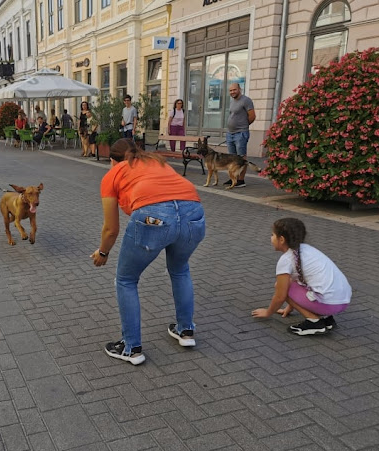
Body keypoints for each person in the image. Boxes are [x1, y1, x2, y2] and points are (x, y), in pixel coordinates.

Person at [91, 139, 205, 365]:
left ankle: (131, 347)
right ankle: (186, 331)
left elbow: (111, 229)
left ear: (113, 161)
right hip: (194, 213)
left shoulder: (113, 174)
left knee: (125, 280)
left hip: (154, 218)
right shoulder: (157, 162)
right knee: (180, 270)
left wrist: (103, 253)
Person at [252, 218, 352, 336]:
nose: (271, 238)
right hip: (343, 301)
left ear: (282, 239)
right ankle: (327, 320)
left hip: (329, 304)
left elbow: (280, 296)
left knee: (279, 286)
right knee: (291, 284)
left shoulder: (286, 260)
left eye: (272, 235)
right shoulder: (307, 249)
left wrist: (268, 312)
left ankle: (314, 323)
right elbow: (298, 282)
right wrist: (292, 305)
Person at [225, 83, 256, 187]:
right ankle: (233, 178)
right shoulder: (232, 101)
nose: (232, 92)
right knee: (232, 158)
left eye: (234, 90)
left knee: (241, 158)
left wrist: (243, 126)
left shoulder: (246, 100)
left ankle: (241, 180)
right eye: (230, 90)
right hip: (230, 133)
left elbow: (252, 116)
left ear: (239, 89)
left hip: (241, 133)